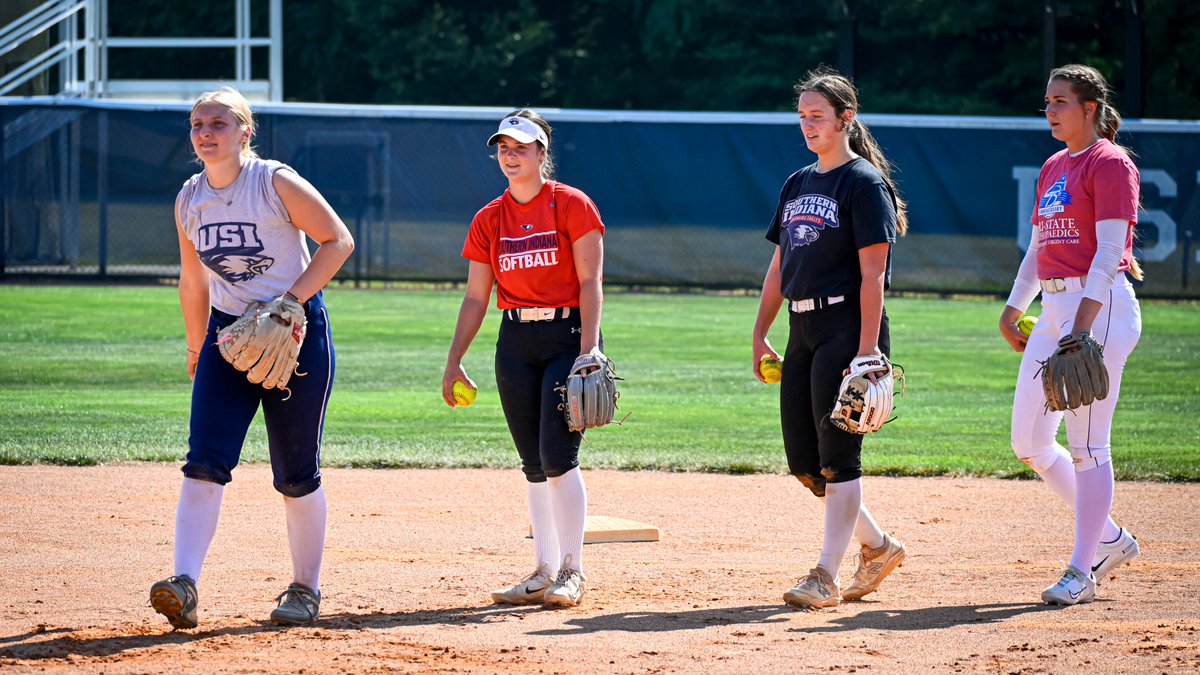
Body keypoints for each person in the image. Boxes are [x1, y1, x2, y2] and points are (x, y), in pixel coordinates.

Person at [151, 87, 355, 629]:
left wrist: (291, 301)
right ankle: (185, 583)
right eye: (197, 124)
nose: (205, 132)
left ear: (246, 131)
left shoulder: (272, 181)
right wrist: (197, 345)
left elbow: (338, 241)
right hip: (226, 336)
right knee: (204, 461)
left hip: (293, 333)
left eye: (219, 122)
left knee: (295, 472)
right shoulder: (189, 198)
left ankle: (305, 590)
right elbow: (193, 279)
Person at [751, 67, 908, 609]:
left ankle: (825, 574)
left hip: (847, 326)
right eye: (803, 117)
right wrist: (760, 332)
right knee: (804, 461)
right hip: (802, 326)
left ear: (846, 119)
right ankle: (879, 546)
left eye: (818, 116)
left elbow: (873, 276)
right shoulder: (798, 183)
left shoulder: (862, 184)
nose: (808, 125)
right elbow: (778, 266)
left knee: (839, 457)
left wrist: (867, 350)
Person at [442, 109, 605, 608]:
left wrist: (590, 349)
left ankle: (573, 572)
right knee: (533, 463)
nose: (510, 156)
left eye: (521, 147)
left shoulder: (571, 205)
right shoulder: (489, 218)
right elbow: (475, 298)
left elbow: (589, 282)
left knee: (559, 456)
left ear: (541, 153)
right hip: (514, 341)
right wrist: (454, 360)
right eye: (503, 148)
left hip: (566, 335)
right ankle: (543, 569)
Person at [999, 64, 1142, 606]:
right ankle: (1108, 539)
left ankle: (1082, 569)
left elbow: (1109, 254)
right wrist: (1015, 308)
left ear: (1090, 108)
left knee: (1087, 445)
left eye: (1061, 101)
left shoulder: (1110, 163)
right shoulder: (1055, 165)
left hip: (1099, 308)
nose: (1050, 110)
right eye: (1048, 102)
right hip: (1058, 306)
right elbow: (1040, 247)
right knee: (1030, 441)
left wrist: (1080, 326)